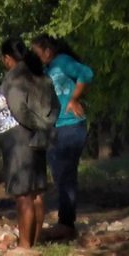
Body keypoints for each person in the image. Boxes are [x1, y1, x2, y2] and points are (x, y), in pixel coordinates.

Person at [31, 34, 94, 242]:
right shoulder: (47, 69)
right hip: (56, 127)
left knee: (65, 176)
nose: (35, 56)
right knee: (61, 176)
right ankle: (65, 222)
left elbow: (86, 73)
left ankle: (66, 224)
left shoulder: (63, 62)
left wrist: (75, 98)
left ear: (47, 50)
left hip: (70, 125)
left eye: (37, 52)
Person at [0, 38, 51, 250]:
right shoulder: (38, 74)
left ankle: (25, 246)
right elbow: (53, 105)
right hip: (36, 139)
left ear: (7, 58)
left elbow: (18, 108)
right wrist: (43, 126)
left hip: (20, 141)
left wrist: (32, 125)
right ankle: (33, 243)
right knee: (36, 193)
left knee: (23, 194)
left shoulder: (15, 78)